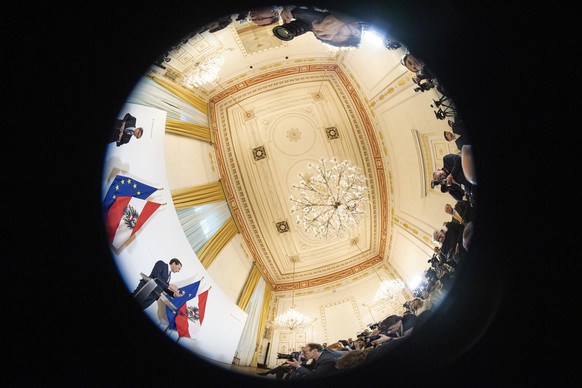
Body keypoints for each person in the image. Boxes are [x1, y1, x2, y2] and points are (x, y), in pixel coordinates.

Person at [272, 5, 364, 48]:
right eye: (337, 32)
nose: (328, 27)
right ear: (356, 32)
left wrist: (288, 6)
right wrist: (342, 18)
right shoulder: (365, 16)